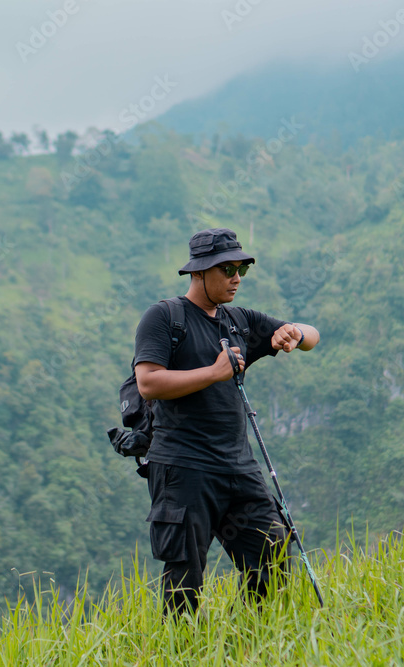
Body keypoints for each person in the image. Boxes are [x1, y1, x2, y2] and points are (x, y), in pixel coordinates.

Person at [133, 227, 320, 616]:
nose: (237, 278)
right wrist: (214, 373)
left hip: (237, 466)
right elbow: (148, 382)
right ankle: (182, 645)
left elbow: (312, 336)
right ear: (198, 272)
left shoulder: (241, 321)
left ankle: (248, 635)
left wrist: (294, 333)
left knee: (272, 551)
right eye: (228, 269)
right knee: (185, 574)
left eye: (242, 269)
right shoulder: (164, 318)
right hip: (182, 467)